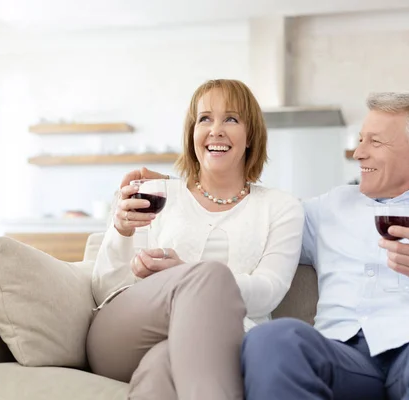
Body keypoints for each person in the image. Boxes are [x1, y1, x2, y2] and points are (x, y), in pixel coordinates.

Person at [241, 92, 409, 400]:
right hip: (339, 357)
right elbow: (252, 224)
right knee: (272, 339)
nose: (358, 153)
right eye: (360, 140)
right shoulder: (329, 207)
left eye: (375, 142)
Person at [86, 79, 304, 400]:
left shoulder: (281, 207)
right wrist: (121, 231)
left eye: (231, 119)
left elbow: (268, 294)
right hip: (124, 334)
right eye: (204, 119)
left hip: (214, 342)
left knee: (161, 364)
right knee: (210, 275)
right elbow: (106, 290)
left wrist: (189, 275)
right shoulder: (157, 193)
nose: (215, 129)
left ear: (251, 136)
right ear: (192, 134)